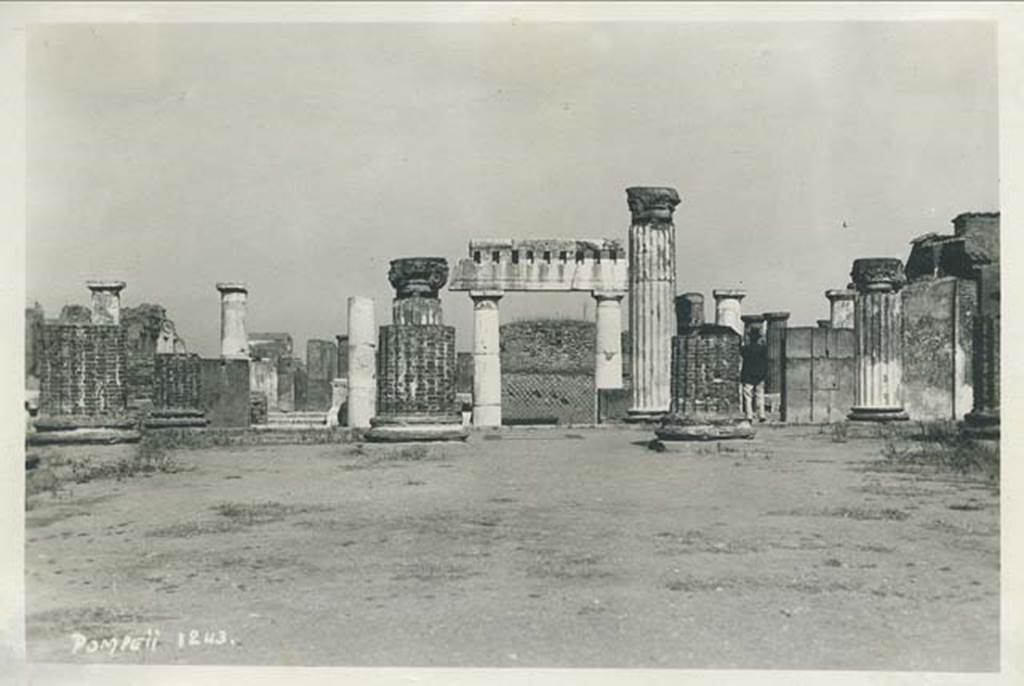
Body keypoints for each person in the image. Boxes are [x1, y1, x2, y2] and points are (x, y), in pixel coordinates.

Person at [741, 327, 769, 422]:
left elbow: (742, 353)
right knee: (760, 395)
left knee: (748, 396)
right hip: (759, 374)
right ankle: (761, 415)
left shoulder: (746, 348)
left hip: (748, 374)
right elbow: (765, 362)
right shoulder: (762, 349)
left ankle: (749, 415)